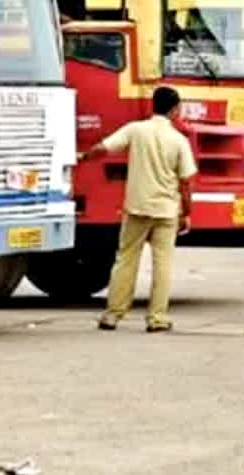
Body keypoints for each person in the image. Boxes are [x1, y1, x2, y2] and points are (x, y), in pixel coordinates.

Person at [79, 86, 197, 332]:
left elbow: (103, 148)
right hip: (166, 212)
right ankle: (157, 318)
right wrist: (187, 212)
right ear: (175, 110)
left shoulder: (136, 130)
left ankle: (113, 314)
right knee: (162, 264)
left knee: (126, 260)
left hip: (137, 208)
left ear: (153, 105)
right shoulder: (179, 140)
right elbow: (186, 182)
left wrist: (82, 158)